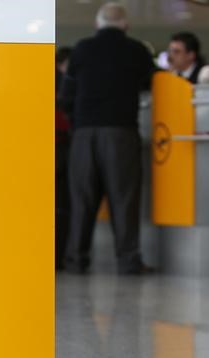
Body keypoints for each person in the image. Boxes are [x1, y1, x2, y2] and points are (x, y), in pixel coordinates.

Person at [59, 2, 155, 275]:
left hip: (84, 135)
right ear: (126, 25)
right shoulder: (137, 50)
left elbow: (65, 96)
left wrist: (80, 124)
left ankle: (76, 259)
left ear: (97, 24)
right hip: (121, 133)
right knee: (124, 199)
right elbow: (153, 85)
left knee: (81, 199)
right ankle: (128, 260)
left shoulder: (81, 49)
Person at [55, 46, 73, 270]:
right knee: (61, 204)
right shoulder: (63, 81)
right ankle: (58, 256)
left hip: (51, 144)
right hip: (60, 144)